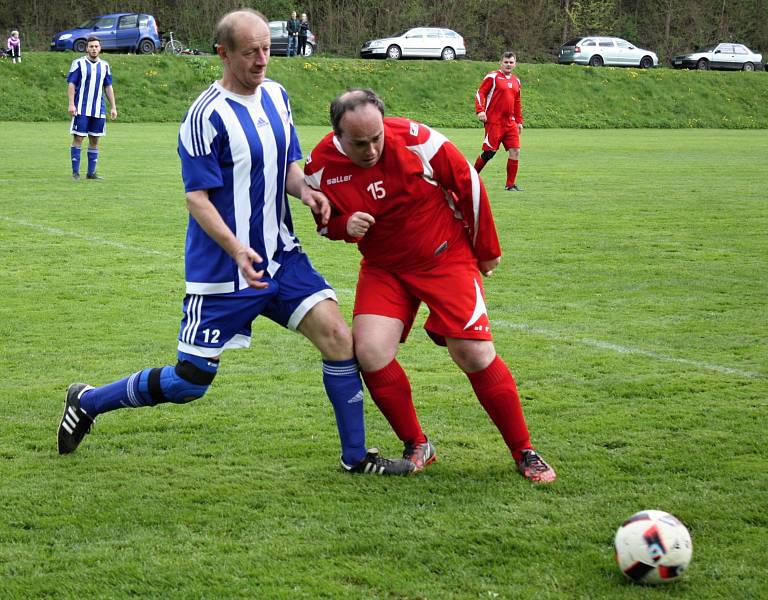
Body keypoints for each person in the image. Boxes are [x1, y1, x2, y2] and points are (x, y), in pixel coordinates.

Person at [57, 11, 414, 477]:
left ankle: (356, 458)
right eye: (251, 51)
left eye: (267, 48)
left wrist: (306, 192)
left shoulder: (278, 97)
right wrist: (235, 248)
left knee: (338, 340)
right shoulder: (205, 115)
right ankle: (88, 401)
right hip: (223, 269)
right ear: (223, 53)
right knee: (190, 381)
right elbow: (197, 198)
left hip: (281, 256)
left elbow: (288, 164)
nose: (263, 59)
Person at [303, 89, 556, 484]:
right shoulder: (319, 166)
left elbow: (468, 182)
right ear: (337, 135)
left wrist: (485, 249)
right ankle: (418, 444)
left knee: (472, 352)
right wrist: (343, 226)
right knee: (369, 351)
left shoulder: (417, 140)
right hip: (385, 268)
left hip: (444, 256)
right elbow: (324, 222)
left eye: (376, 138)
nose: (370, 149)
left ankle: (524, 450)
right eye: (358, 143)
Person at [67, 36, 117, 180]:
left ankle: (91, 173)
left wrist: (113, 107)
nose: (94, 49)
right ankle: (75, 173)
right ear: (87, 48)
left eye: (96, 46)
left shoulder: (105, 66)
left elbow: (108, 86)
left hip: (98, 109)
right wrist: (71, 104)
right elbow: (71, 84)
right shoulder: (78, 63)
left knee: (95, 140)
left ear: (100, 48)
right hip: (81, 108)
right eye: (91, 46)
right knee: (79, 138)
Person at [473, 52, 523, 192]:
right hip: (494, 122)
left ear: (515, 64)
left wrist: (519, 121)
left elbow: (517, 102)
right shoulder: (493, 77)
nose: (508, 64)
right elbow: (480, 93)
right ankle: (471, 177)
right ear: (501, 63)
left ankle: (510, 184)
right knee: (489, 153)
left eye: (511, 62)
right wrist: (480, 110)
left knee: (515, 151)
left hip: (510, 123)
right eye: (506, 62)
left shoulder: (516, 81)